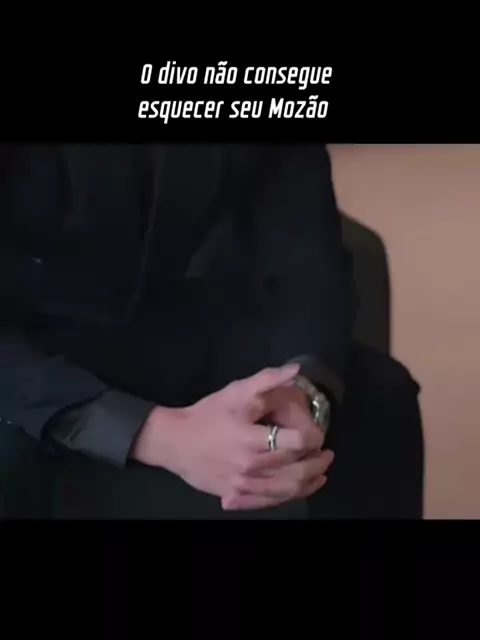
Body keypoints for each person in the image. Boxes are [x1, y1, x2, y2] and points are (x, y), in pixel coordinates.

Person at [0, 144, 423, 519]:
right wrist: (158, 434)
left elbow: (305, 252)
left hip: (160, 314)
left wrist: (301, 387)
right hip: (24, 346)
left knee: (378, 397)